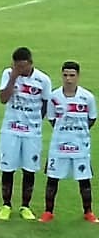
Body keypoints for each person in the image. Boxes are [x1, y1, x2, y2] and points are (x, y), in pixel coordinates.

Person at [0, 46, 52, 220]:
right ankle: (6, 205)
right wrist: (13, 78)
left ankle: (25, 206)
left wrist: (34, 122)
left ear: (30, 63)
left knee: (29, 169)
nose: (20, 69)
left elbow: (45, 105)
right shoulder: (8, 74)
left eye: (22, 66)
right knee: (8, 168)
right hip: (10, 130)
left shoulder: (43, 80)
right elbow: (3, 99)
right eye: (16, 66)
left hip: (32, 133)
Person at [41, 61, 97, 223]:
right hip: (59, 146)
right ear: (62, 76)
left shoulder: (87, 97)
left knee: (84, 180)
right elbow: (51, 119)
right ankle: (48, 212)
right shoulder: (54, 97)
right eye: (65, 75)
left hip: (80, 146)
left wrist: (77, 134)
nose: (68, 79)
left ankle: (88, 212)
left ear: (78, 76)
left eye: (72, 75)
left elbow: (91, 119)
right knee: (52, 178)